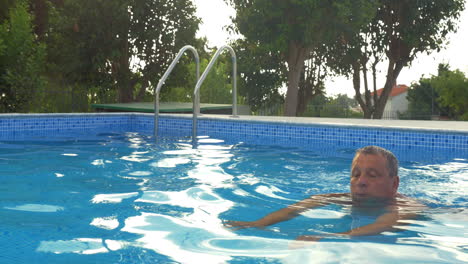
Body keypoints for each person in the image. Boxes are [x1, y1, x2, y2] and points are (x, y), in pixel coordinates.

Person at [225, 145, 425, 241]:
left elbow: (384, 225)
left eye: (372, 175)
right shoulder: (345, 199)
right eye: (356, 175)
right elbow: (301, 206)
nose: (361, 182)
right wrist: (257, 224)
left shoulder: (406, 207)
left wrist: (329, 236)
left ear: (394, 184)